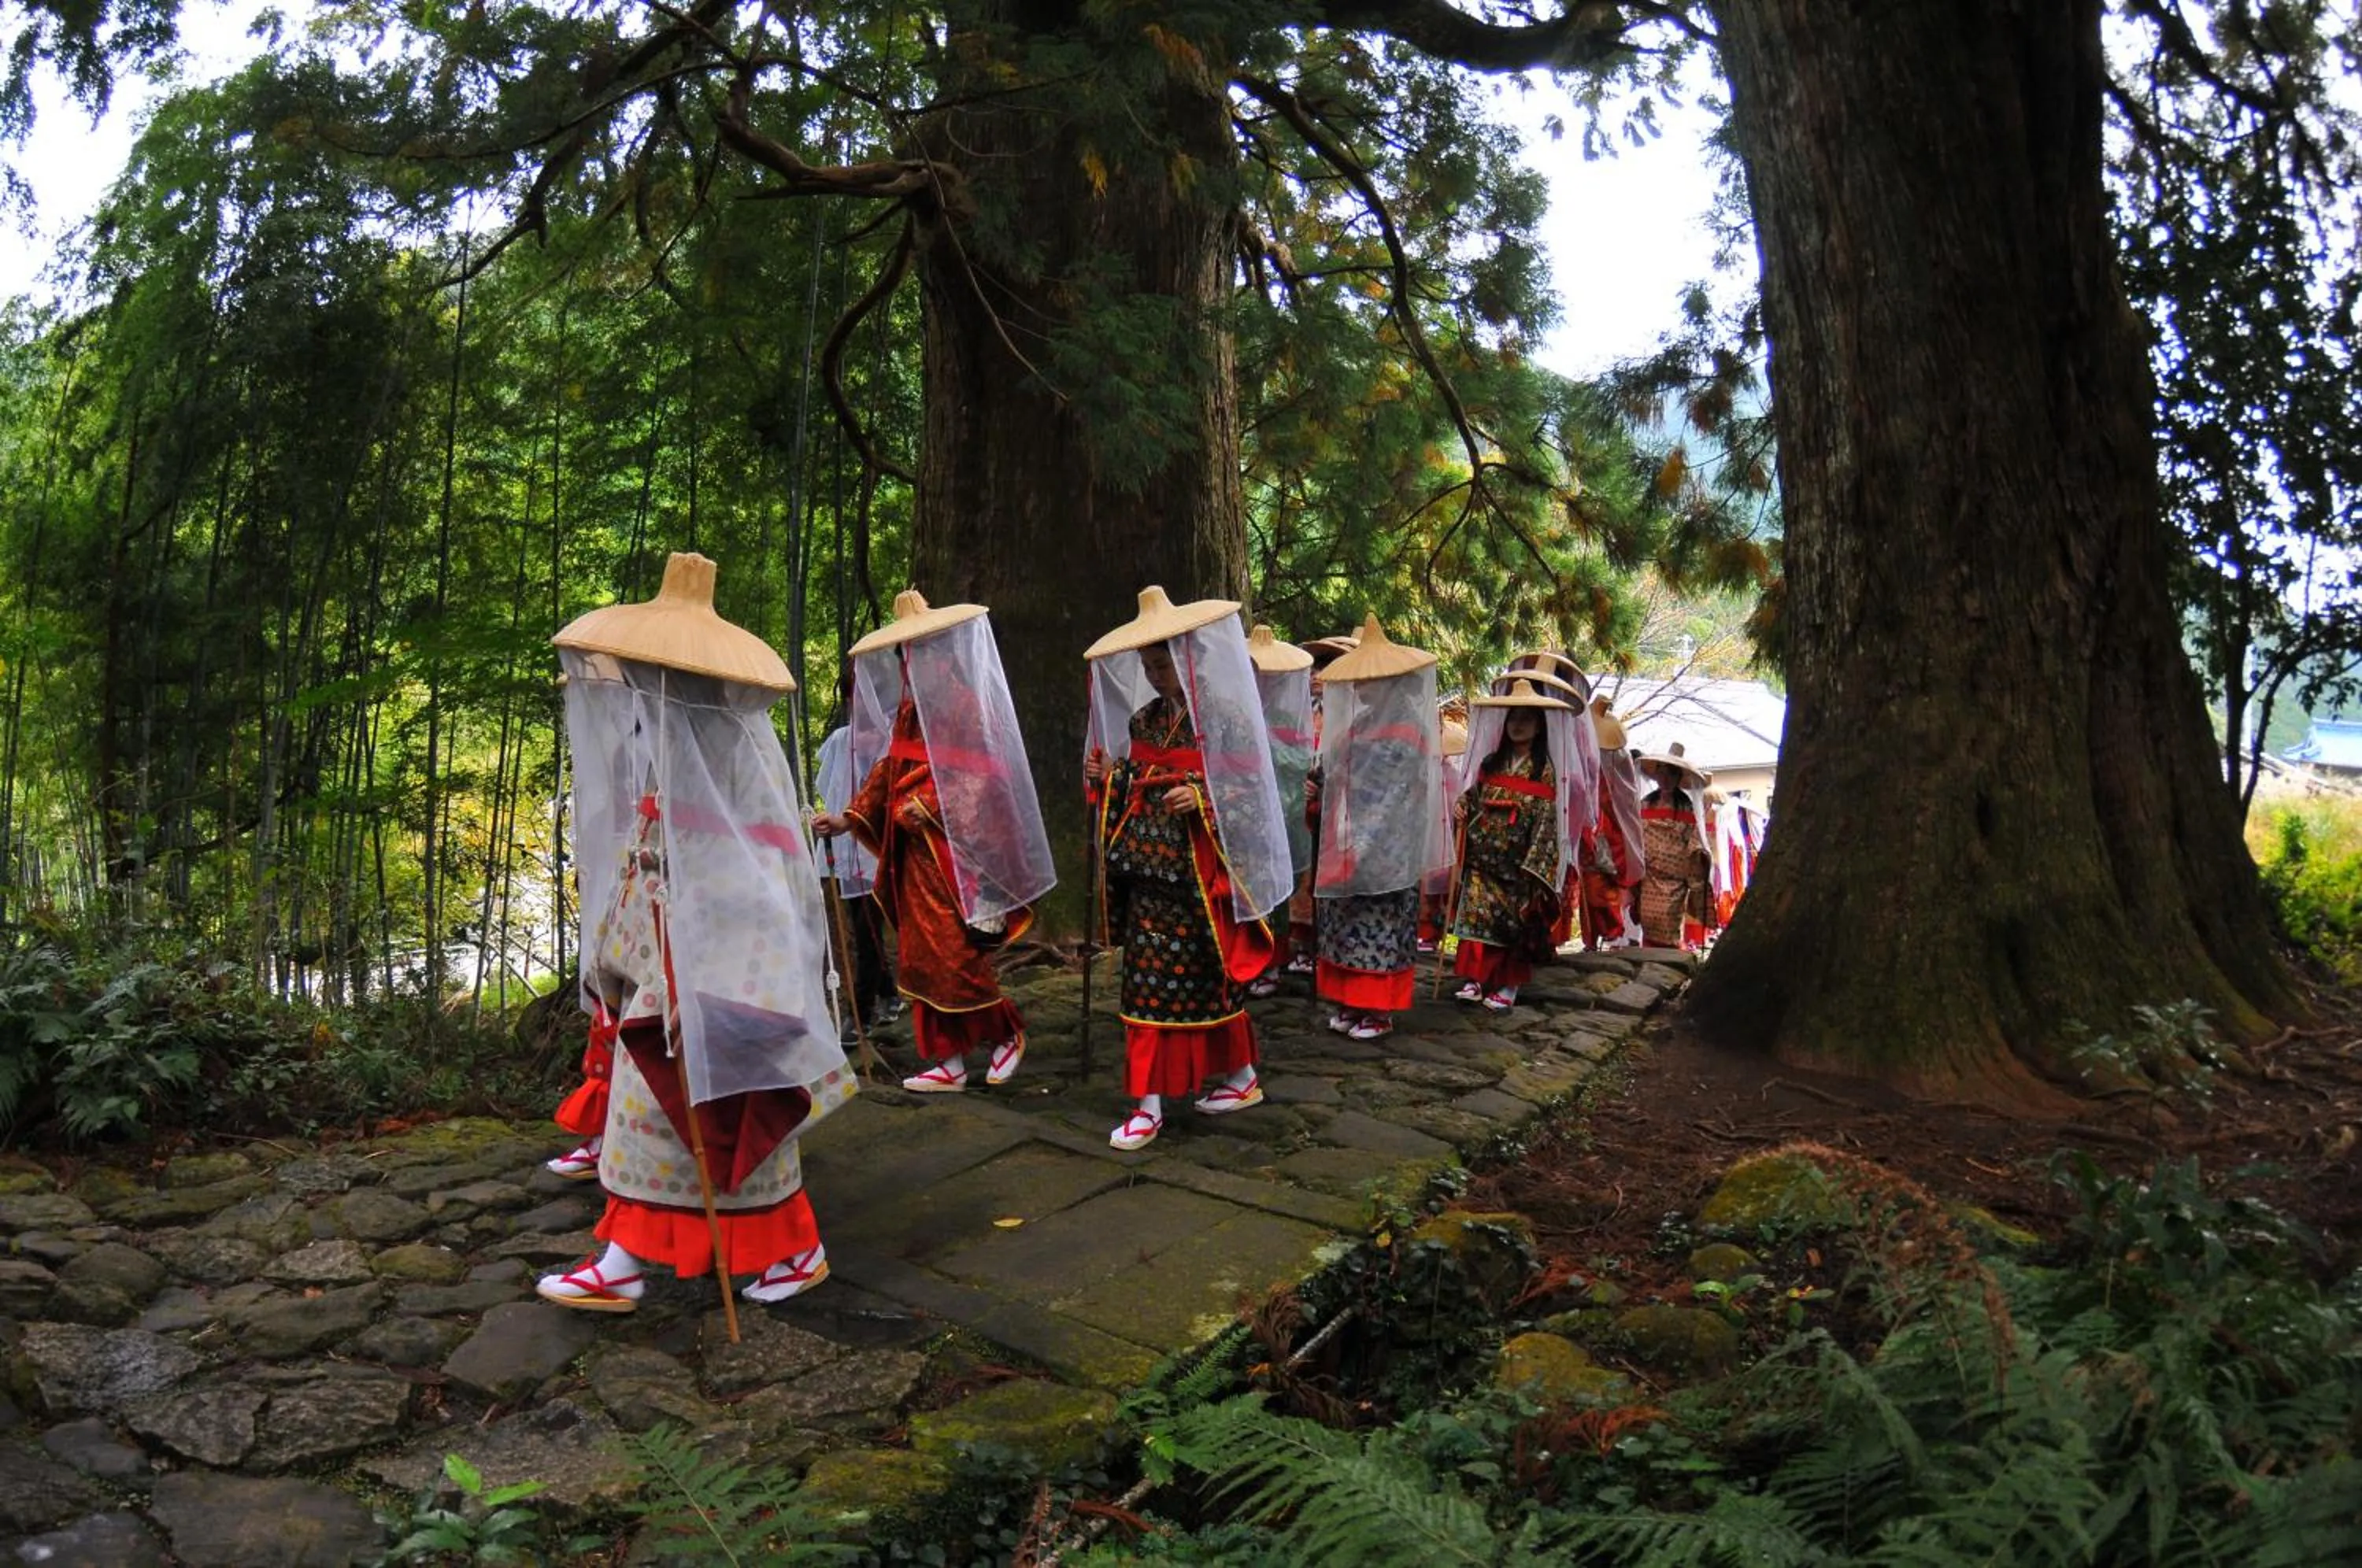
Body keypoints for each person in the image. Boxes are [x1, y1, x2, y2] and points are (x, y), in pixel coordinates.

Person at [537, 553, 856, 1312]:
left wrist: (703, 940)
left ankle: (786, 1247)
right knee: (651, 1116)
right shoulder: (669, 754)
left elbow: (762, 872)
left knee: (710, 1116)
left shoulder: (735, 760)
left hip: (726, 965)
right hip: (671, 957)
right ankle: (626, 1258)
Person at [813, 591, 1055, 1093]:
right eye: (907, 656)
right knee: (919, 960)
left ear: (942, 655)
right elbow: (889, 770)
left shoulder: (968, 708)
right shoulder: (907, 713)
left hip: (954, 856)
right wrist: (848, 817)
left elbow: (989, 776)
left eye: (922, 654)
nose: (914, 665)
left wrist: (936, 808)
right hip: (910, 858)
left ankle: (1005, 1030)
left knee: (954, 955)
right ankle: (947, 1059)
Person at [1084, 588, 1293, 1151]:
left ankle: (1242, 1076)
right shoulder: (1144, 720)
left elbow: (1251, 790)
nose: (1156, 672)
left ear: (1191, 658)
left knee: (1211, 984)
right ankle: (1147, 1106)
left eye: (1166, 661)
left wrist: (1200, 798)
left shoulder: (1225, 718)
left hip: (1203, 875)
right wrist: (1109, 775)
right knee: (1144, 989)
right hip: (1149, 876)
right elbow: (1134, 784)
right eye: (1150, 663)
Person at [1313, 616, 1451, 1041]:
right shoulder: (1358, 723)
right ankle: (1352, 1001)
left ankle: (1379, 1009)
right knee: (1345, 920)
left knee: (1381, 923)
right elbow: (1334, 771)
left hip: (1388, 841)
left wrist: (1368, 836)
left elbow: (1396, 790)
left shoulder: (1411, 728)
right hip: (1348, 834)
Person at [1449, 681, 1586, 1011]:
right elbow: (1476, 796)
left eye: (1527, 719)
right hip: (1483, 858)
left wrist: (1535, 864)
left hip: (1519, 863)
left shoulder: (1544, 771)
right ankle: (1475, 979)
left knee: (1513, 923)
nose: (1518, 725)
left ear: (1539, 726)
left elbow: (1547, 818)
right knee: (1477, 917)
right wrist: (1463, 804)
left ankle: (1509, 985)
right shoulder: (1491, 763)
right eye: (1513, 718)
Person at [813, 697, 898, 1028]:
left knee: (869, 932)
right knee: (864, 929)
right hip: (847, 847)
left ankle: (861, 1014)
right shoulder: (839, 741)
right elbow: (828, 786)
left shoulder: (893, 744)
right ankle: (888, 993)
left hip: (877, 851)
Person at [1246, 626, 1316, 998]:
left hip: (1282, 810)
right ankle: (1244, 961)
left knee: (1274, 894)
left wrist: (1268, 750)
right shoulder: (1235, 715)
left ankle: (1273, 962)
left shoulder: (1290, 722)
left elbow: (1301, 760)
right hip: (1242, 811)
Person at [1283, 634, 1357, 977]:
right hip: (1303, 800)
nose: (1317, 674)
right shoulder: (1301, 713)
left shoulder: (1356, 715)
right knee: (1303, 872)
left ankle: (1329, 947)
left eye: (1327, 666)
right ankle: (1301, 942)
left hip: (1342, 808)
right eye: (1316, 665)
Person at [1579, 697, 1646, 949]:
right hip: (1591, 827)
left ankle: (1614, 933)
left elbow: (1627, 797)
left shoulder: (1619, 754)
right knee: (1590, 886)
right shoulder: (1581, 740)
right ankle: (1591, 938)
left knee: (1607, 887)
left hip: (1611, 829)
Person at [1636, 742, 1715, 950]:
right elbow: (1636, 834)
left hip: (1675, 880)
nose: (1665, 778)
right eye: (1661, 773)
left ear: (1678, 777)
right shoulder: (1644, 804)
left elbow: (1695, 839)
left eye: (1671, 774)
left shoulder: (1688, 808)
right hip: (1648, 877)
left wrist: (1699, 858)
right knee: (1648, 920)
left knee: (1668, 924)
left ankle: (1668, 966)